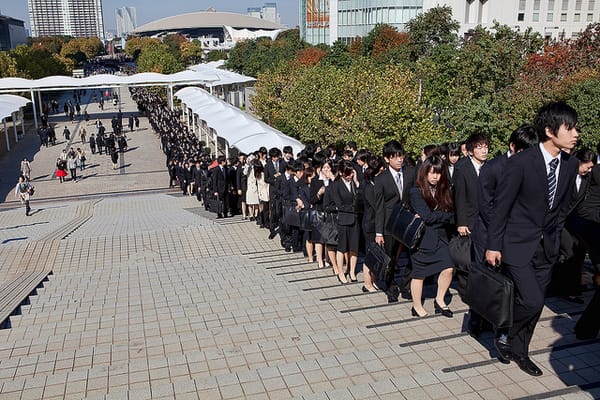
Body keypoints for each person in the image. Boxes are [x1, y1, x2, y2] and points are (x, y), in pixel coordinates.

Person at [486, 102, 579, 376]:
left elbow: (562, 207)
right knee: (533, 300)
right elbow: (500, 207)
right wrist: (493, 245)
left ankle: (519, 350)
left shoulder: (571, 164)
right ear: (550, 131)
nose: (575, 134)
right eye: (569, 128)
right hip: (517, 244)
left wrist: (558, 236)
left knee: (535, 305)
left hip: (547, 246)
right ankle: (504, 331)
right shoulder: (521, 163)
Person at [469, 124, 539, 338]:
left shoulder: (532, 168)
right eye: (523, 151)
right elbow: (486, 205)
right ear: (512, 146)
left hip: (516, 237)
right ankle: (476, 318)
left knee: (509, 283)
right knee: (487, 279)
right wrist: (500, 231)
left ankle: (500, 323)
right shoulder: (494, 168)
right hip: (489, 233)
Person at [408, 156, 455, 318]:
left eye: (439, 173)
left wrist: (442, 216)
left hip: (440, 237)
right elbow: (428, 217)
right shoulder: (416, 191)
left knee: (448, 268)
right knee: (419, 274)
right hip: (421, 239)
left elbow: (450, 213)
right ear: (425, 173)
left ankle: (440, 300)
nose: (435, 176)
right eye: (432, 173)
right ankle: (416, 306)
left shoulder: (445, 190)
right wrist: (445, 216)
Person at [374, 140, 416, 302]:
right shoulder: (381, 179)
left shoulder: (410, 173)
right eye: (395, 157)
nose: (399, 160)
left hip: (407, 221)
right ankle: (391, 286)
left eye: (401, 156)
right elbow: (379, 208)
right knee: (390, 258)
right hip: (389, 225)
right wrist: (379, 232)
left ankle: (406, 284)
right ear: (387, 159)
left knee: (413, 255)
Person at [330, 160, 361, 283]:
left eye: (352, 173)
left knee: (354, 247)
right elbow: (339, 204)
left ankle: (352, 271)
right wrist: (352, 209)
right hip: (343, 219)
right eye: (348, 174)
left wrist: (357, 184)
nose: (350, 176)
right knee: (342, 247)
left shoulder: (354, 184)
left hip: (354, 220)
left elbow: (360, 199)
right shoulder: (336, 185)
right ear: (342, 173)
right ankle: (341, 272)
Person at [361, 155, 386, 292]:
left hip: (375, 222)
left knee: (376, 253)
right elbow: (377, 206)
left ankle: (374, 280)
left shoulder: (375, 183)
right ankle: (367, 283)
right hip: (370, 223)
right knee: (370, 253)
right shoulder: (368, 186)